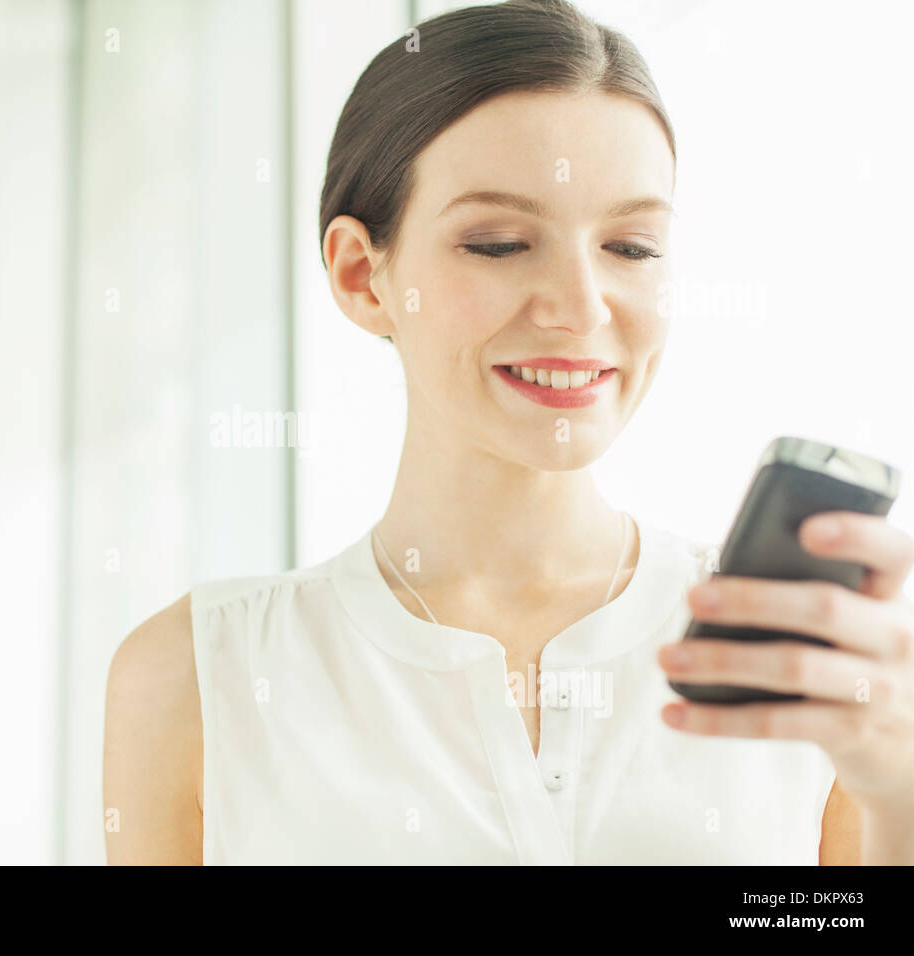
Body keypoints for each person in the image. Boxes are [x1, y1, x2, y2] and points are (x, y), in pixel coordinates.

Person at [103, 0, 914, 865]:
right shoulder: (197, 676)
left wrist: (899, 793)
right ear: (360, 275)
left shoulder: (804, 665)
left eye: (632, 248)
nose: (580, 306)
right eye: (497, 243)